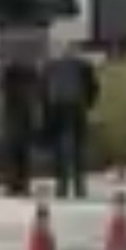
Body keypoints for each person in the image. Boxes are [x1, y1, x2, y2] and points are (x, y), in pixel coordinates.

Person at [42, 43, 100, 199]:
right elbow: (94, 88)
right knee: (79, 147)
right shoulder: (84, 66)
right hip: (77, 107)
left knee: (60, 149)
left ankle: (62, 187)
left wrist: (46, 113)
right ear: (75, 52)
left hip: (57, 109)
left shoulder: (51, 67)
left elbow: (43, 91)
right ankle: (80, 186)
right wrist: (88, 105)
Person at [0, 57, 42, 197]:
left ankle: (12, 185)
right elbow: (38, 94)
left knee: (11, 153)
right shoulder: (31, 83)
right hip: (25, 119)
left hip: (12, 119)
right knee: (24, 154)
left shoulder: (9, 83)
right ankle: (23, 185)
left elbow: (1, 87)